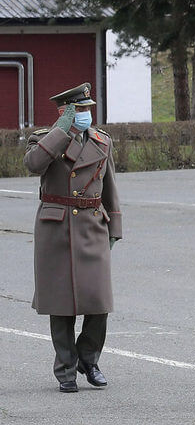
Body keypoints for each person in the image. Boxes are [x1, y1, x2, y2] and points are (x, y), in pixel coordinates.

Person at [24, 83, 122, 393]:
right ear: (64, 113)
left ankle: (88, 359)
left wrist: (115, 228)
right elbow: (33, 165)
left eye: (87, 109)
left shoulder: (101, 141)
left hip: (92, 225)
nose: (85, 115)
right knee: (61, 304)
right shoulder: (44, 140)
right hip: (56, 227)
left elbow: (110, 187)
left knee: (99, 301)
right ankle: (65, 368)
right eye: (78, 110)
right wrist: (62, 131)